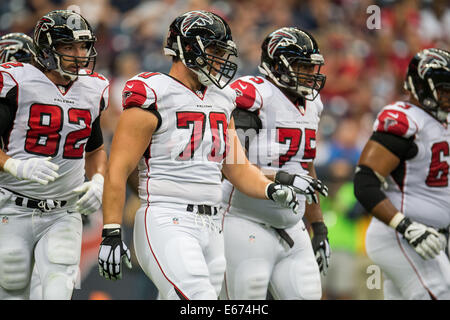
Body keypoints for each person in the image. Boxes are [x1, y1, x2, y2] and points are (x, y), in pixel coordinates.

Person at [97, 10, 321, 300]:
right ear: (187, 48)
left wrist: (271, 189)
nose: (220, 60)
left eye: (222, 52)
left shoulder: (222, 98)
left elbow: (238, 168)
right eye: (214, 50)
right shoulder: (154, 92)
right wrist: (111, 230)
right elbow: (118, 168)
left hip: (212, 225)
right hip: (168, 216)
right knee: (198, 300)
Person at [0, 10, 108, 300]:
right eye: (68, 46)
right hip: (13, 205)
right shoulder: (15, 82)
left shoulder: (93, 88)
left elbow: (96, 148)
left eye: (83, 46)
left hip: (64, 210)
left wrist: (98, 179)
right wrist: (14, 166)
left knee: (59, 284)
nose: (79, 54)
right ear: (46, 50)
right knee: (12, 280)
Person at [220, 27, 330, 300]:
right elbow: (232, 164)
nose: (309, 73)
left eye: (311, 66)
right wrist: (283, 178)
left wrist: (319, 226)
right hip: (244, 221)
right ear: (277, 64)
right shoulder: (256, 96)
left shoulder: (313, 104)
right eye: (301, 65)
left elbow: (306, 168)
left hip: (293, 227)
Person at [354, 48, 450, 299]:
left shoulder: (442, 123)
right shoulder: (406, 120)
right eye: (443, 89)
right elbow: (365, 182)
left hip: (431, 239)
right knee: (440, 292)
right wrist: (405, 226)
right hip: (401, 235)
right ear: (420, 87)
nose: (448, 96)